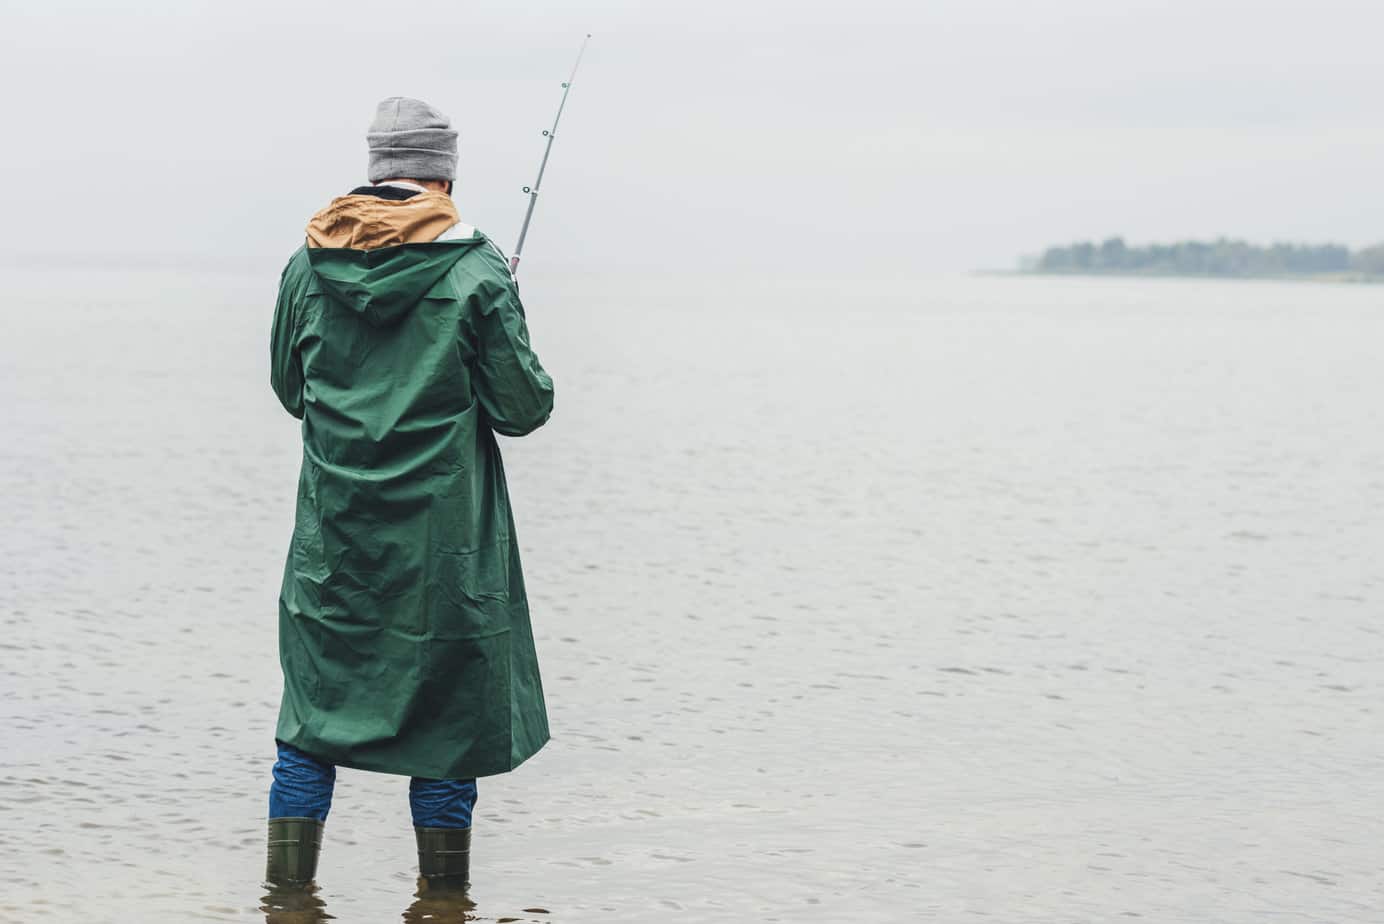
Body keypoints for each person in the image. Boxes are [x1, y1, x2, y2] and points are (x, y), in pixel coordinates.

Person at [264, 97, 555, 890]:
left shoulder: (304, 265)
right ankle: (441, 903)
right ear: (444, 175)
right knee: (447, 727)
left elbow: (291, 390)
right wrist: (505, 309)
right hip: (443, 549)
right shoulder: (476, 268)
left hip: (335, 545)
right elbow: (524, 409)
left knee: (310, 724)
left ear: (375, 171)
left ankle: (285, 901)